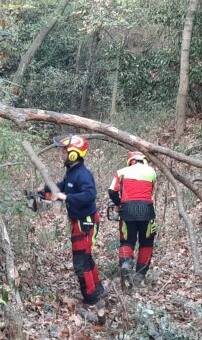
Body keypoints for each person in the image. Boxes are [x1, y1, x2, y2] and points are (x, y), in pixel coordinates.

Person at [38, 135, 106, 322]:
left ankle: (91, 297)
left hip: (86, 222)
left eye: (65, 151)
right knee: (86, 257)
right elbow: (62, 186)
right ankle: (98, 289)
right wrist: (45, 190)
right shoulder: (72, 172)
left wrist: (67, 198)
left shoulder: (83, 174)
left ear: (75, 154)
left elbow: (89, 194)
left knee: (80, 262)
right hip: (79, 220)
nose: (62, 154)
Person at [108, 151, 157, 289]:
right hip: (147, 211)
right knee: (146, 243)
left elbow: (111, 191)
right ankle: (140, 275)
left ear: (130, 161)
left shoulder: (121, 172)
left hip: (127, 211)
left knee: (127, 241)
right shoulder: (152, 172)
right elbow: (151, 192)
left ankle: (126, 262)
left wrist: (119, 203)